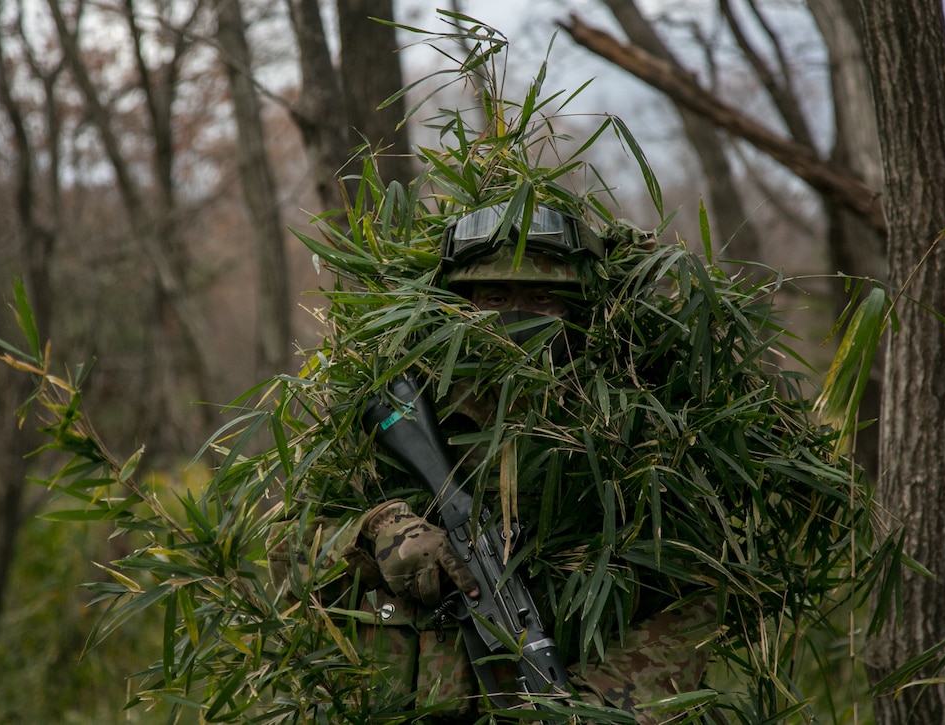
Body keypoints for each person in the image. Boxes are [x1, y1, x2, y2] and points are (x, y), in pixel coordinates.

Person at [269, 199, 716, 723]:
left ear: (579, 309)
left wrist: (589, 712)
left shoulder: (631, 435)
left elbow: (701, 599)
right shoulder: (390, 412)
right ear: (458, 306)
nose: (517, 315)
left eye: (543, 298)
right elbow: (286, 563)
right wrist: (377, 533)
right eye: (495, 296)